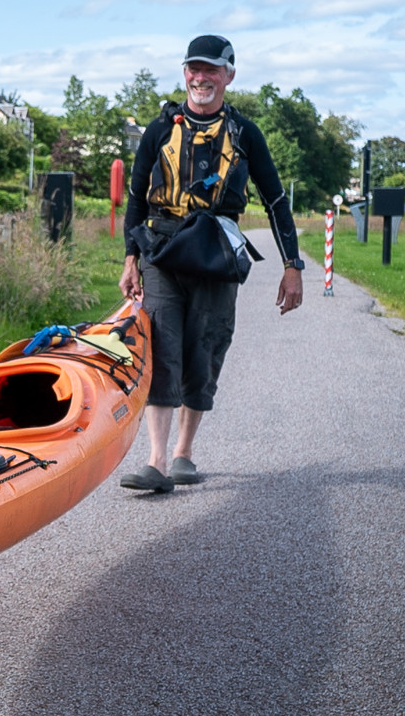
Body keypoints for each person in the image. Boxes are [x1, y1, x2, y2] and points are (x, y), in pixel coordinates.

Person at [116, 34, 304, 493]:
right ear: (185, 73)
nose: (201, 78)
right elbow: (137, 198)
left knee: (205, 350)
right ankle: (157, 462)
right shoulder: (159, 130)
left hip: (217, 253)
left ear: (229, 76)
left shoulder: (245, 134)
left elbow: (275, 200)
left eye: (211, 70)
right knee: (162, 348)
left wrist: (292, 265)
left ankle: (184, 452)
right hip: (162, 251)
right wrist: (130, 259)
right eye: (194, 69)